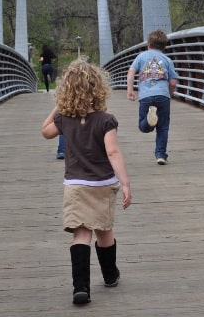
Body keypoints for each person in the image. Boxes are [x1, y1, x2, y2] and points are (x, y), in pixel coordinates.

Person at [41, 60, 132, 305]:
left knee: (81, 234)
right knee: (104, 230)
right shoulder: (106, 120)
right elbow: (113, 153)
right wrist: (125, 183)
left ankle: (81, 287)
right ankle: (110, 274)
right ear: (98, 89)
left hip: (75, 186)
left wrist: (59, 107)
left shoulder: (64, 120)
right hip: (103, 184)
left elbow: (45, 130)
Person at [126, 29, 178, 165]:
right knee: (163, 127)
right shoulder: (167, 60)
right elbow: (173, 82)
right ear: (164, 46)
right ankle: (161, 155)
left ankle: (149, 121)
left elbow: (131, 72)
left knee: (143, 127)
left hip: (146, 96)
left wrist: (130, 90)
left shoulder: (141, 56)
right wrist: (170, 94)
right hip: (162, 96)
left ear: (149, 44)